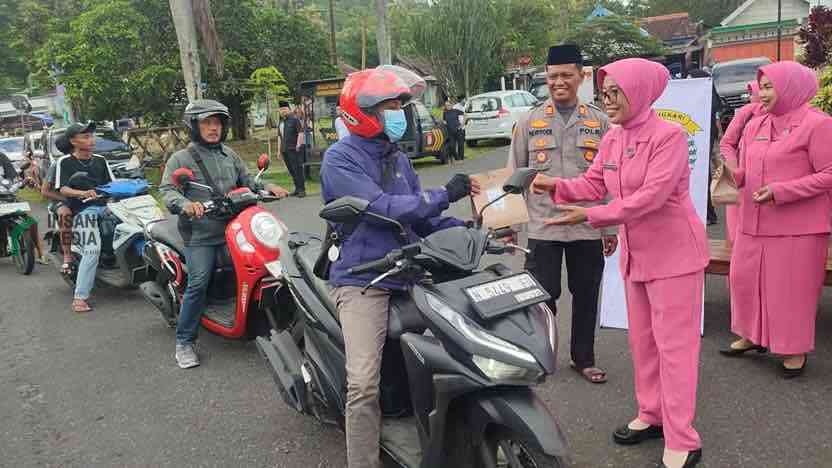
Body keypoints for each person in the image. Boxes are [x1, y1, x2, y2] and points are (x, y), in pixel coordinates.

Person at [534, 58, 708, 468]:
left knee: (675, 349)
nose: (607, 101)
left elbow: (652, 196)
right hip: (638, 256)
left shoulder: (670, 137)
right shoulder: (614, 137)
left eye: (615, 92)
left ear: (640, 92)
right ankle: (651, 414)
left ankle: (682, 435)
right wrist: (555, 184)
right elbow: (595, 182)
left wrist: (591, 216)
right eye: (604, 92)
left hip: (674, 256)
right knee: (643, 343)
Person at [320, 65, 479, 468]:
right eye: (390, 106)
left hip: (406, 272)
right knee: (362, 385)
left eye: (401, 106)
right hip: (363, 278)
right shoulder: (340, 159)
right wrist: (445, 194)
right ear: (362, 113)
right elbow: (382, 209)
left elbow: (421, 220)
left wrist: (472, 230)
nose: (399, 113)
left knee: (450, 358)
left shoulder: (397, 158)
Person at [508, 44, 614, 384]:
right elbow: (513, 175)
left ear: (581, 77)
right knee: (541, 295)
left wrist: (610, 227)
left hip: (587, 225)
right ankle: (543, 354)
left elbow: (613, 177)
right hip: (544, 226)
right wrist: (509, 226)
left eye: (566, 75)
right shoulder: (529, 121)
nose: (559, 82)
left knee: (585, 294)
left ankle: (584, 358)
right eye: (552, 76)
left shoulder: (599, 121)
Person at [719, 61, 832, 379]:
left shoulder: (818, 124)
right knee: (745, 281)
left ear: (791, 87)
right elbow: (746, 168)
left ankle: (794, 349)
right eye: (762, 86)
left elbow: (829, 174)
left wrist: (783, 190)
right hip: (752, 220)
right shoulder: (757, 123)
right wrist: (732, 174)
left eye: (770, 86)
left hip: (798, 227)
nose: (763, 94)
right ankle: (752, 335)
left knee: (789, 291)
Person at [160, 100, 289, 369]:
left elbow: (249, 181)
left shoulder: (229, 155)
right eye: (207, 123)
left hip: (235, 230)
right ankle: (184, 341)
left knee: (268, 266)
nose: (213, 128)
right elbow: (167, 192)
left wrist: (268, 186)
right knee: (199, 281)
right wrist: (185, 205)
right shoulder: (181, 159)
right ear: (194, 126)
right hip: (201, 236)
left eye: (217, 123)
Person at [53, 122, 115, 313]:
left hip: (106, 207)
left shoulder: (100, 160)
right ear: (73, 141)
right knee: (92, 248)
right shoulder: (65, 162)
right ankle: (80, 298)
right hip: (81, 210)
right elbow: (62, 188)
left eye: (91, 136)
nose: (91, 139)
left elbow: (111, 185)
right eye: (85, 136)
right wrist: (81, 194)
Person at [718, 81, 762, 246]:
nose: (753, 97)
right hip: (742, 188)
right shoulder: (747, 113)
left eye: (769, 88)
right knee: (738, 241)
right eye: (761, 89)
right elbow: (726, 143)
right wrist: (734, 169)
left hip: (770, 191)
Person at [279, 100, 305, 197]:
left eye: (285, 109)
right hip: (285, 150)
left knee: (297, 169)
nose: (283, 111)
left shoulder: (294, 119)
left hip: (294, 149)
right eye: (281, 109)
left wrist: (298, 144)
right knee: (291, 170)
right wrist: (279, 151)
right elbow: (279, 137)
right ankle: (297, 189)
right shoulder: (281, 122)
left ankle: (302, 190)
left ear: (289, 110)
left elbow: (300, 132)